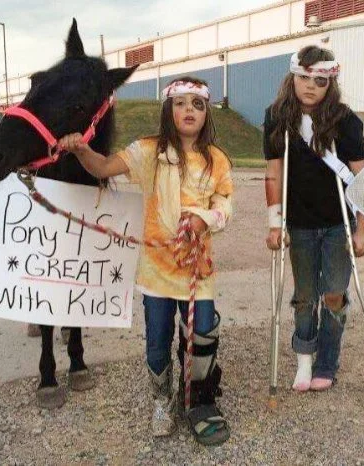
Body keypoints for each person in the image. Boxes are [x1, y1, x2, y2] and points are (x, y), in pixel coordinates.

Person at [58, 76, 233, 446]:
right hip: (155, 272)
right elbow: (103, 167)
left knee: (202, 331)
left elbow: (225, 203)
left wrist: (206, 219)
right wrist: (79, 150)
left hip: (197, 271)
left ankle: (198, 397)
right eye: (181, 103)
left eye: (197, 105)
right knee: (157, 339)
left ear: (206, 114)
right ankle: (162, 398)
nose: (189, 110)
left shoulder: (216, 159)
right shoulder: (148, 151)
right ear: (169, 110)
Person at [263, 45, 364, 392]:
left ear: (331, 82)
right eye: (303, 77)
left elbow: (361, 176)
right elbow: (273, 174)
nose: (310, 86)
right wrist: (274, 222)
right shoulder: (277, 116)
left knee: (333, 294)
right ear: (292, 77)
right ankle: (304, 359)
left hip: (338, 222)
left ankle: (328, 361)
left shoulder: (345, 120)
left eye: (320, 80)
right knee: (304, 294)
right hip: (299, 222)